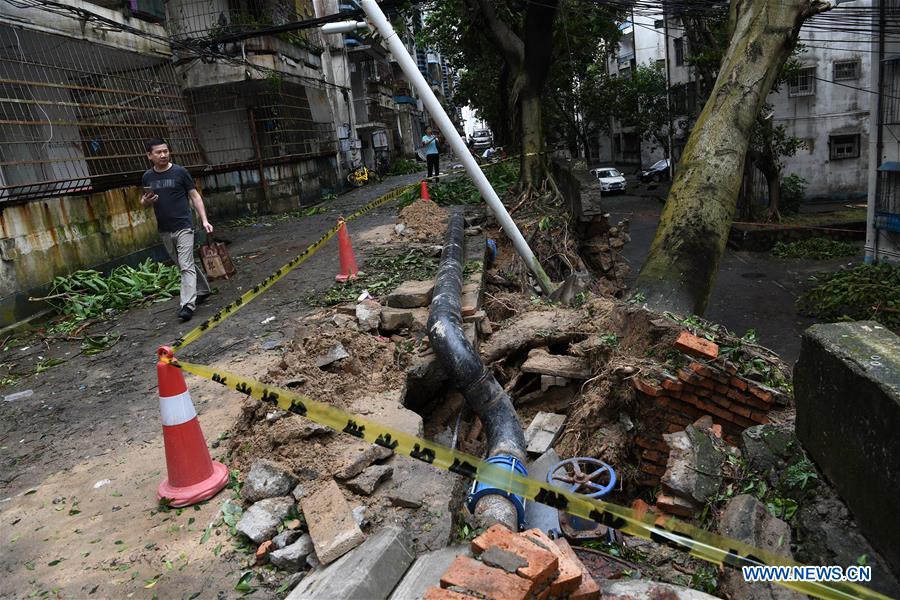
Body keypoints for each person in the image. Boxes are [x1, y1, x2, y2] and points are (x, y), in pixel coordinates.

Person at [141, 138, 212, 322]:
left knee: (185, 265)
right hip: (164, 229)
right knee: (182, 263)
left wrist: (204, 220)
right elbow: (143, 201)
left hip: (184, 226)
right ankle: (203, 289)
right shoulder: (147, 177)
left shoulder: (180, 172)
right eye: (158, 152)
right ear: (150, 155)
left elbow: (195, 197)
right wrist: (147, 201)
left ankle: (187, 305)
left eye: (166, 151)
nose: (163, 154)